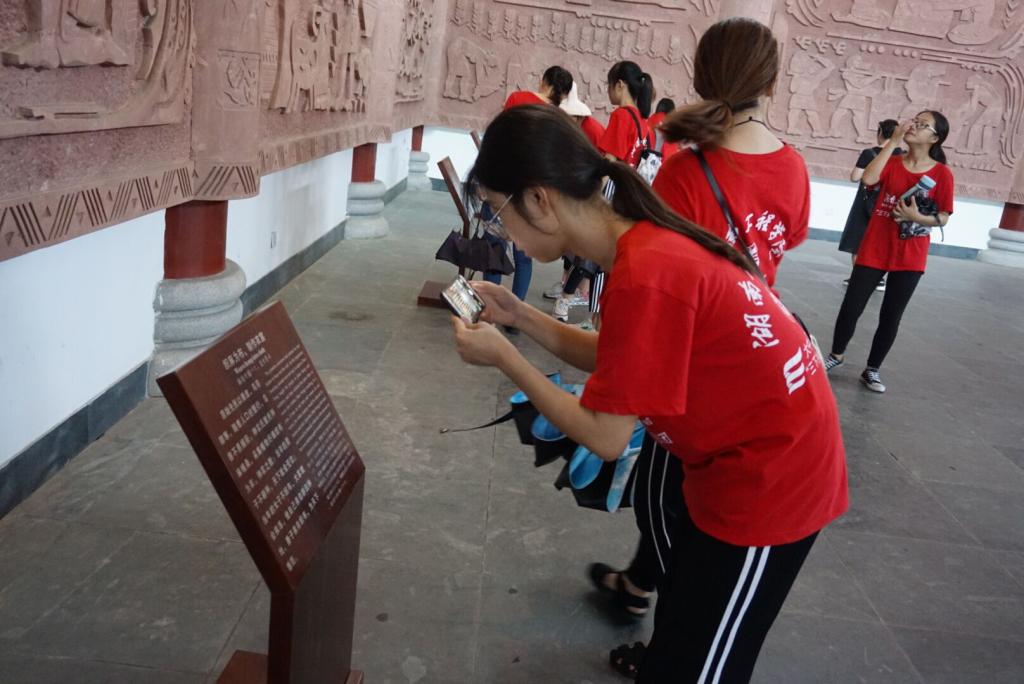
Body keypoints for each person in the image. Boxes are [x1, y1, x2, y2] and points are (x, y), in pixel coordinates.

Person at [451, 104, 848, 682]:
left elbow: (605, 435)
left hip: (773, 482)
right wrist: (520, 316)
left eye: (498, 210)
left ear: (538, 199)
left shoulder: (647, 269)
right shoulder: (638, 247)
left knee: (703, 664)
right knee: (682, 634)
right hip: (727, 465)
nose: (502, 230)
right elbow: (620, 358)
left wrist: (505, 356)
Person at [585, 19, 816, 634]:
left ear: (701, 76)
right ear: (771, 82)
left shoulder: (685, 172)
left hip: (687, 365)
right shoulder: (794, 167)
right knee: (684, 507)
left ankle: (666, 627)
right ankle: (643, 589)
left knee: (667, 503)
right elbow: (785, 244)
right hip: (751, 349)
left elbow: (650, 268)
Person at [824, 111, 953, 393]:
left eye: (923, 125)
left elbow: (943, 216)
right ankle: (836, 355)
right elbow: (869, 179)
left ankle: (872, 369)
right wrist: (893, 141)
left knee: (891, 314)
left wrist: (918, 218)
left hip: (911, 252)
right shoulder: (893, 161)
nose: (914, 126)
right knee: (851, 306)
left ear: (935, 138)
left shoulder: (942, 173)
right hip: (876, 245)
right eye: (914, 121)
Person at [484, 66, 574, 326]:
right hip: (534, 193)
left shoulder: (518, 99)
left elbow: (498, 138)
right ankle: (515, 317)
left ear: (543, 81)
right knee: (524, 254)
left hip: (503, 184)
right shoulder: (561, 119)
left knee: (494, 248)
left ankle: (489, 312)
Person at [838, 119, 902, 291]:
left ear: (880, 132)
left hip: (865, 204)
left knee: (859, 240)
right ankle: (879, 279)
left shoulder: (870, 153)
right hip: (888, 204)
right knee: (882, 241)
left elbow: (855, 177)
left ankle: (859, 278)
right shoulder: (902, 156)